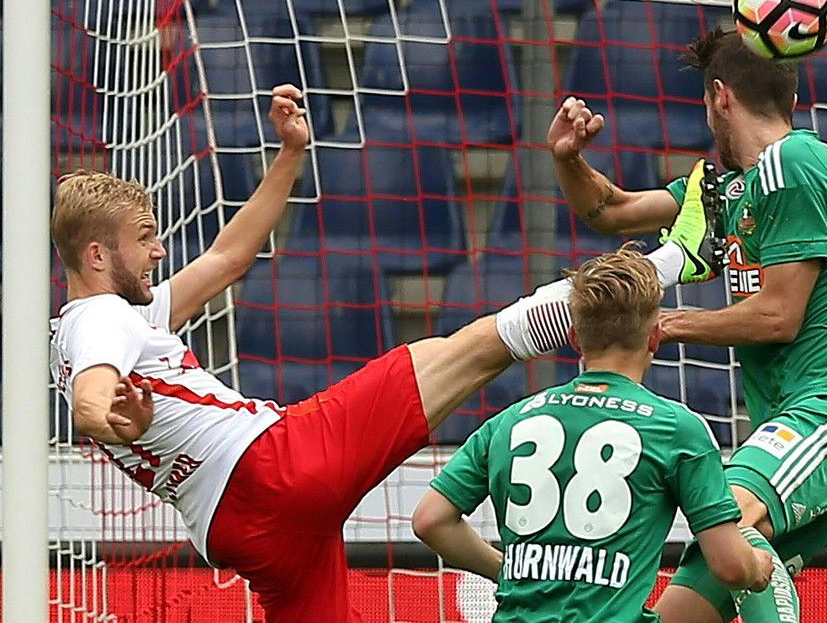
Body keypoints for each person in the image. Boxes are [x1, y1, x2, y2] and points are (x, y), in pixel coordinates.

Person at [49, 84, 587, 622]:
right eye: (144, 238)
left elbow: (229, 258)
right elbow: (91, 398)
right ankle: (610, 291)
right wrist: (107, 418)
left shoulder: (98, 324)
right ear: (97, 255)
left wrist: (290, 154)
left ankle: (522, 582)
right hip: (270, 468)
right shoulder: (102, 319)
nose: (159, 250)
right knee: (458, 354)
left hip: (236, 527)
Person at [545, 29, 827, 623]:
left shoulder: (792, 162)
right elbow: (610, 210)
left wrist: (663, 324)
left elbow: (778, 316)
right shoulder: (732, 189)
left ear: (720, 95)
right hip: (798, 421)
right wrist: (567, 158)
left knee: (726, 522)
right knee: (689, 601)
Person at [413, 243, 800, 623]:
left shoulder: (509, 422)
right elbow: (731, 567)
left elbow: (430, 520)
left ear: (575, 338)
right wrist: (757, 566)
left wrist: (506, 571)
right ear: (654, 337)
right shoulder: (678, 429)